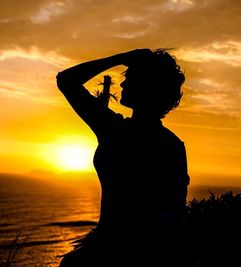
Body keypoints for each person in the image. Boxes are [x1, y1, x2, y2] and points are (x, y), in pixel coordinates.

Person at [56, 48, 190, 267]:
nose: (122, 84)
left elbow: (171, 215)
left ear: (146, 87)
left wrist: (119, 59)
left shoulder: (116, 130)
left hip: (133, 253)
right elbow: (65, 81)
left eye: (129, 78)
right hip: (111, 246)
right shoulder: (165, 144)